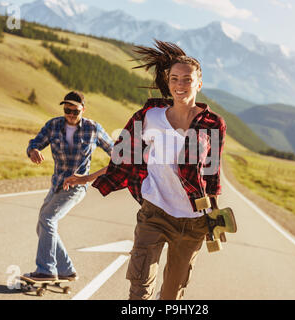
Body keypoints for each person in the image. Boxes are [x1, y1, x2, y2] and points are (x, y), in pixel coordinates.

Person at [64, 41, 226, 300]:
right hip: (154, 211)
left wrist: (215, 215)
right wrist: (86, 177)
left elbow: (212, 173)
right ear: (168, 81)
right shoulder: (150, 117)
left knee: (172, 294)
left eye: (187, 79)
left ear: (199, 84)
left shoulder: (212, 124)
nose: (180, 85)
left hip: (193, 221)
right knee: (138, 289)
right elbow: (124, 159)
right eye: (174, 78)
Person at [24, 91, 114, 282]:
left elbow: (118, 157)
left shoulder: (93, 128)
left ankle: (46, 271)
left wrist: (89, 177)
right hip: (57, 184)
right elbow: (35, 142)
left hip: (77, 187)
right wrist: (33, 150)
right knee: (43, 226)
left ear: (83, 109)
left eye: (75, 110)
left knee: (47, 219)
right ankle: (66, 270)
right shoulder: (53, 125)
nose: (71, 114)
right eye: (67, 110)